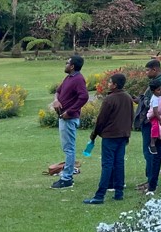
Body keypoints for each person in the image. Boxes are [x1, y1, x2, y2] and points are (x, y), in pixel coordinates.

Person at [84, 73, 134, 204]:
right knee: (119, 164)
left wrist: (94, 135)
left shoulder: (109, 99)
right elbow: (130, 118)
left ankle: (100, 195)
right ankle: (119, 193)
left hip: (110, 136)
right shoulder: (128, 98)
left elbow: (101, 120)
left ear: (115, 85)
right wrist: (127, 134)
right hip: (122, 136)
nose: (108, 84)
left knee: (107, 165)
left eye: (110, 82)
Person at [51, 55, 89, 189]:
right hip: (63, 117)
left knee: (69, 149)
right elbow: (58, 91)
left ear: (72, 66)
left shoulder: (78, 79)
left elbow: (84, 97)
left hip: (69, 119)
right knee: (67, 148)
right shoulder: (69, 78)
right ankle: (67, 174)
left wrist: (70, 111)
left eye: (67, 63)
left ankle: (67, 178)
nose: (65, 64)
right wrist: (56, 100)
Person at [135, 59, 161, 190]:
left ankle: (151, 180)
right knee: (158, 153)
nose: (146, 73)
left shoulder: (159, 83)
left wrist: (143, 100)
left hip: (151, 121)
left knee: (150, 151)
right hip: (156, 120)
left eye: (147, 70)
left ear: (154, 69)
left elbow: (154, 104)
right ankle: (153, 180)